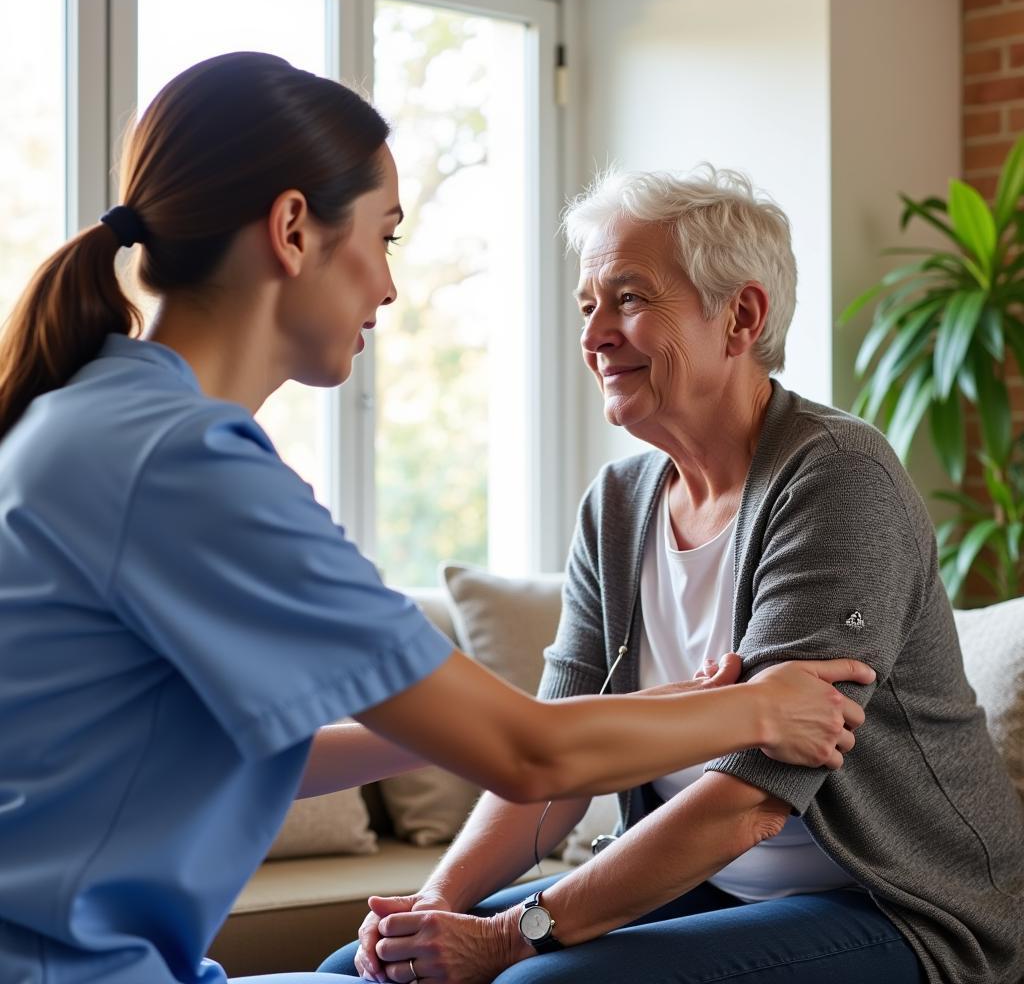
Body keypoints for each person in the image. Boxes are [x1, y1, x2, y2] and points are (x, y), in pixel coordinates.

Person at [0, 54, 876, 984]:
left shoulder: (97, 420)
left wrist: (646, 716)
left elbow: (257, 752)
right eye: (385, 236)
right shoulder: (183, 464)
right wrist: (756, 705)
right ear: (293, 230)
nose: (387, 285)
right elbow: (530, 750)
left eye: (625, 300)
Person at [322, 167, 1024, 984]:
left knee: (544, 981)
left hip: (895, 906)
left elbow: (754, 797)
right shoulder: (617, 505)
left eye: (628, 299)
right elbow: (554, 761)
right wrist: (434, 907)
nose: (593, 336)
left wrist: (514, 935)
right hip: (716, 892)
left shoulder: (837, 476)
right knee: (361, 970)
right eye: (588, 306)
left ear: (741, 317)